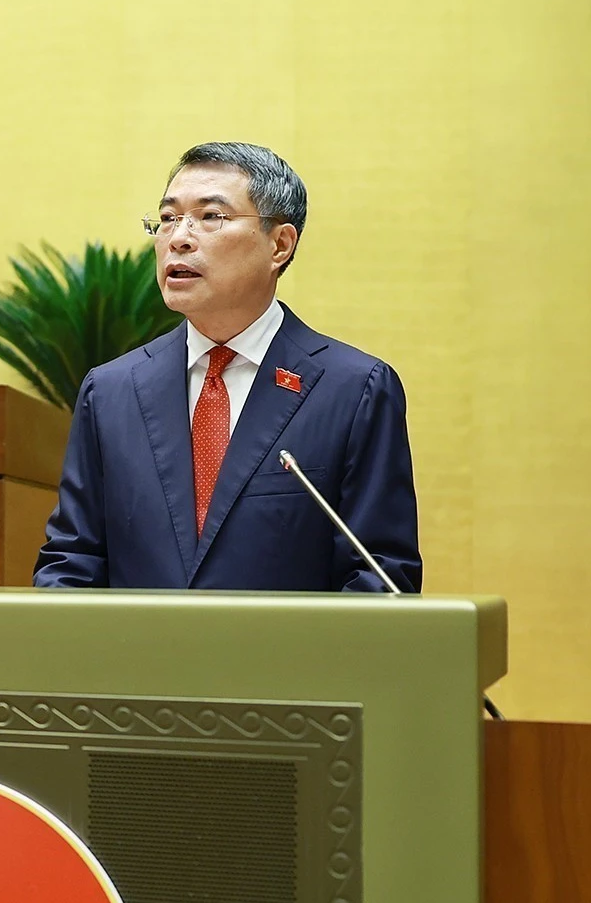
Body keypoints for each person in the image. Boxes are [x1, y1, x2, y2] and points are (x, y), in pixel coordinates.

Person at [34, 142, 419, 592]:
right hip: (137, 661)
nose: (178, 237)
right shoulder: (112, 391)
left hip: (284, 662)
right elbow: (71, 563)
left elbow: (379, 577)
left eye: (210, 217)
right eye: (167, 218)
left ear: (279, 245)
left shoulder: (354, 390)